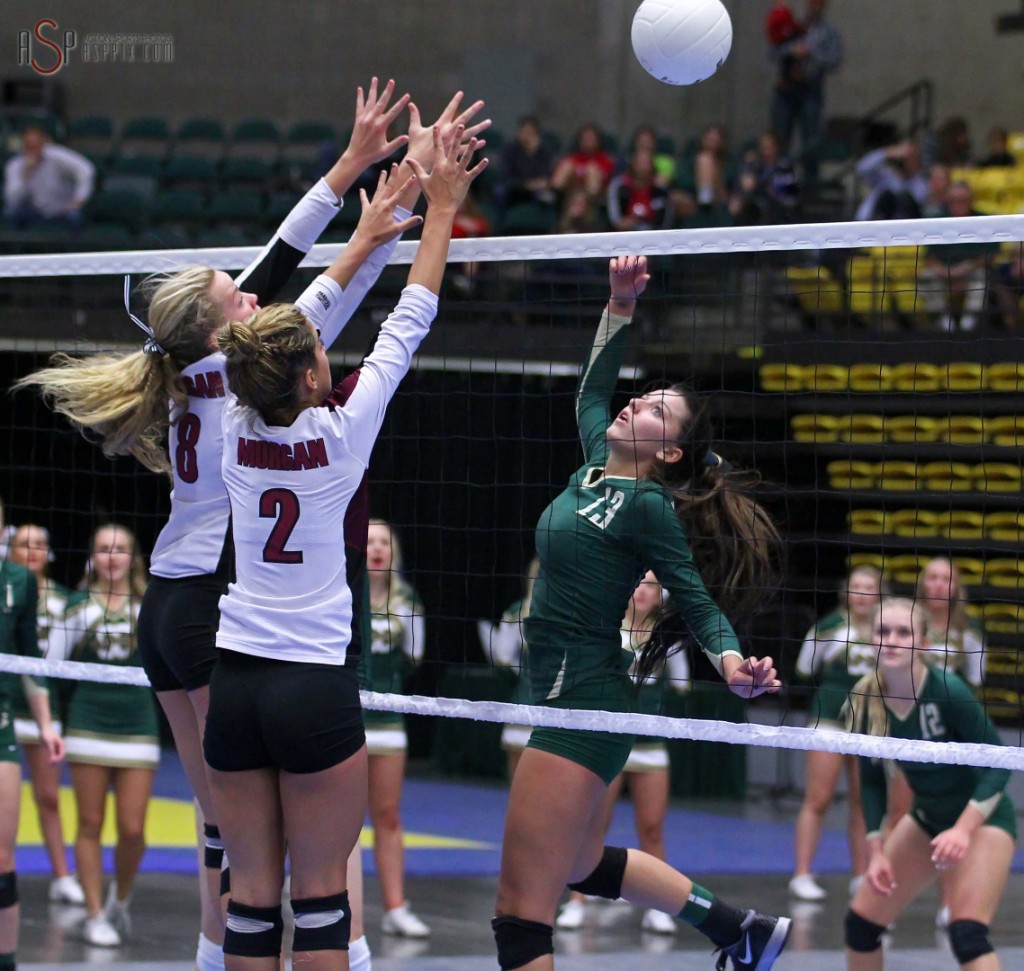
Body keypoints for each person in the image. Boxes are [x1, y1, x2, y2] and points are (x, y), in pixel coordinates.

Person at [16, 81, 489, 971]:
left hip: (190, 619)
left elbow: (284, 276)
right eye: (238, 299)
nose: (254, 297)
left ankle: (232, 952)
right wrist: (402, 207)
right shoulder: (246, 390)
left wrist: (353, 173)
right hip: (229, 624)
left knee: (230, 844)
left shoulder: (211, 386)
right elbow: (336, 301)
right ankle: (344, 945)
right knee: (297, 860)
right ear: (228, 341)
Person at [203, 127, 486, 971]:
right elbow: (411, 316)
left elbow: (304, 320)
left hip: (236, 681)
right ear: (314, 378)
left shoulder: (230, 415)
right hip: (312, 684)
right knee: (323, 895)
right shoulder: (341, 433)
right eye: (319, 354)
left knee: (250, 898)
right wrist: (438, 211)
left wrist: (380, 223)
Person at [491, 254, 790, 971]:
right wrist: (619, 306)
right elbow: (593, 390)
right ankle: (736, 927)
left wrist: (731, 664)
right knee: (583, 864)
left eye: (656, 409)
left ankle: (735, 928)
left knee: (519, 919)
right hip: (573, 694)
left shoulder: (648, 504)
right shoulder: (595, 463)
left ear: (671, 449)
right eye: (644, 396)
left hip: (583, 706)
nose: (635, 404)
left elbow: (693, 595)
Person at [844, 597, 1015, 971]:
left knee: (966, 934)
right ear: (870, 640)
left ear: (922, 641)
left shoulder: (947, 690)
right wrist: (875, 849)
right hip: (927, 818)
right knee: (860, 926)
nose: (891, 640)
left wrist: (963, 831)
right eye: (882, 631)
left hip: (983, 821)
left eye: (903, 632)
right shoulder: (866, 698)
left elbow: (1000, 763)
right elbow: (871, 780)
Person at [556, 571, 690, 936]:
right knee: (592, 826)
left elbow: (681, 686)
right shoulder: (606, 631)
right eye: (638, 582)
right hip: (608, 743)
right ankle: (577, 902)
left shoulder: (667, 640)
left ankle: (659, 909)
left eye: (652, 585)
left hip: (649, 744)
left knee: (652, 827)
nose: (643, 590)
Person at [47, 524, 157, 948]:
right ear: (94, 557)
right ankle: (94, 913)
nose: (113, 557)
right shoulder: (77, 608)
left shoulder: (149, 605)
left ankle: (120, 899)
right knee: (90, 822)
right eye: (105, 549)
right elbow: (48, 668)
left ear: (134, 558)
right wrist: (52, 723)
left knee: (132, 828)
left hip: (137, 726)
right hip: (88, 723)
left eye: (122, 549)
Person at [788, 566, 884, 902]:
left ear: (878, 593)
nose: (861, 594)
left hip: (869, 724)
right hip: (829, 718)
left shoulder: (890, 629)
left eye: (868, 587)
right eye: (855, 587)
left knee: (864, 801)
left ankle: (862, 874)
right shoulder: (830, 627)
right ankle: (802, 874)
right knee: (819, 798)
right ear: (846, 593)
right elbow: (803, 668)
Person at [0, 497, 64, 971]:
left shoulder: (18, 581)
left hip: (0, 727)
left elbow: (29, 662)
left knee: (3, 859)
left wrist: (45, 725)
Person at [7, 524, 86, 905]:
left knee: (49, 797)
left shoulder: (66, 601)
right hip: (7, 701)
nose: (34, 550)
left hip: (42, 702)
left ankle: (61, 875)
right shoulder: (8, 589)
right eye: (25, 544)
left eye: (41, 543)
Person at [361, 518, 431, 938]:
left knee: (387, 815)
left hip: (388, 721)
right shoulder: (343, 596)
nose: (376, 548)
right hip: (343, 719)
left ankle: (396, 907)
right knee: (333, 820)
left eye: (384, 541)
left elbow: (415, 657)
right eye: (368, 541)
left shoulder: (406, 602)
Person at [767, 0, 843, 183]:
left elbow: (835, 60)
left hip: (810, 91)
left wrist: (811, 53)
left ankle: (811, 181)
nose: (814, 7)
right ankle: (780, 181)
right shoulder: (792, 26)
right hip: (786, 90)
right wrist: (791, 51)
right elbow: (772, 53)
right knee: (780, 137)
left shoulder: (829, 32)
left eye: (819, 4)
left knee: (811, 138)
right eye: (811, 3)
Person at [483, 558, 541, 781]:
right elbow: (503, 662)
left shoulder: (518, 613)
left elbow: (504, 662)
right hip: (528, 712)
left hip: (536, 711)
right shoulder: (518, 613)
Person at [918, 182, 1000, 331]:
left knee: (981, 279)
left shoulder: (983, 220)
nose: (958, 205)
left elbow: (990, 256)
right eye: (954, 201)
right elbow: (929, 259)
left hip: (971, 272)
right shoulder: (937, 221)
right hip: (943, 273)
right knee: (925, 278)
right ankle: (944, 323)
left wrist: (965, 270)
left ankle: (967, 325)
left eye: (963, 200)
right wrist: (948, 274)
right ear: (947, 202)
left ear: (971, 201)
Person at [2, 124, 95, 230]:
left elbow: (86, 169)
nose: (33, 150)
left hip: (63, 209)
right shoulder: (15, 165)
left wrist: (80, 198)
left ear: (43, 144)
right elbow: (12, 200)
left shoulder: (58, 156)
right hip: (34, 210)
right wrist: (26, 174)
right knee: (11, 212)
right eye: (29, 146)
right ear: (23, 146)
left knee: (75, 217)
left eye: (36, 146)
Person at [915, 557, 985, 690]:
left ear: (956, 589)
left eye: (947, 579)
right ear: (922, 584)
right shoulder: (906, 625)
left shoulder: (969, 630)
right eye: (932, 578)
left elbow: (976, 679)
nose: (939, 585)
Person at [729, 131, 798, 225]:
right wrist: (748, 166)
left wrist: (759, 183)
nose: (766, 151)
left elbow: (786, 193)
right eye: (763, 147)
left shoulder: (784, 165)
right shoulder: (756, 164)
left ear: (776, 147)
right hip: (755, 203)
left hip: (779, 206)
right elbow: (744, 186)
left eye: (769, 147)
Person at [854, 139, 929, 221]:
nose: (907, 159)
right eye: (905, 156)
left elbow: (917, 203)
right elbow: (862, 168)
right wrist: (888, 152)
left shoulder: (920, 183)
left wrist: (913, 172)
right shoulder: (886, 175)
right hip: (869, 221)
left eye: (911, 157)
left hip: (899, 227)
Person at [606, 147, 672, 232]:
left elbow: (665, 223)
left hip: (655, 238)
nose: (643, 167)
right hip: (623, 237)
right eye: (640, 162)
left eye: (646, 163)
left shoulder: (660, 189)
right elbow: (616, 221)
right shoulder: (619, 186)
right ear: (633, 164)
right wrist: (635, 220)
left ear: (652, 165)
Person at [550, 123, 619, 205]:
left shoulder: (608, 160)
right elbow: (558, 182)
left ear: (598, 141)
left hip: (595, 199)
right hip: (569, 197)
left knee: (592, 169)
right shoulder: (571, 159)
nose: (588, 142)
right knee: (566, 165)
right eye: (585, 139)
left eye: (591, 139)